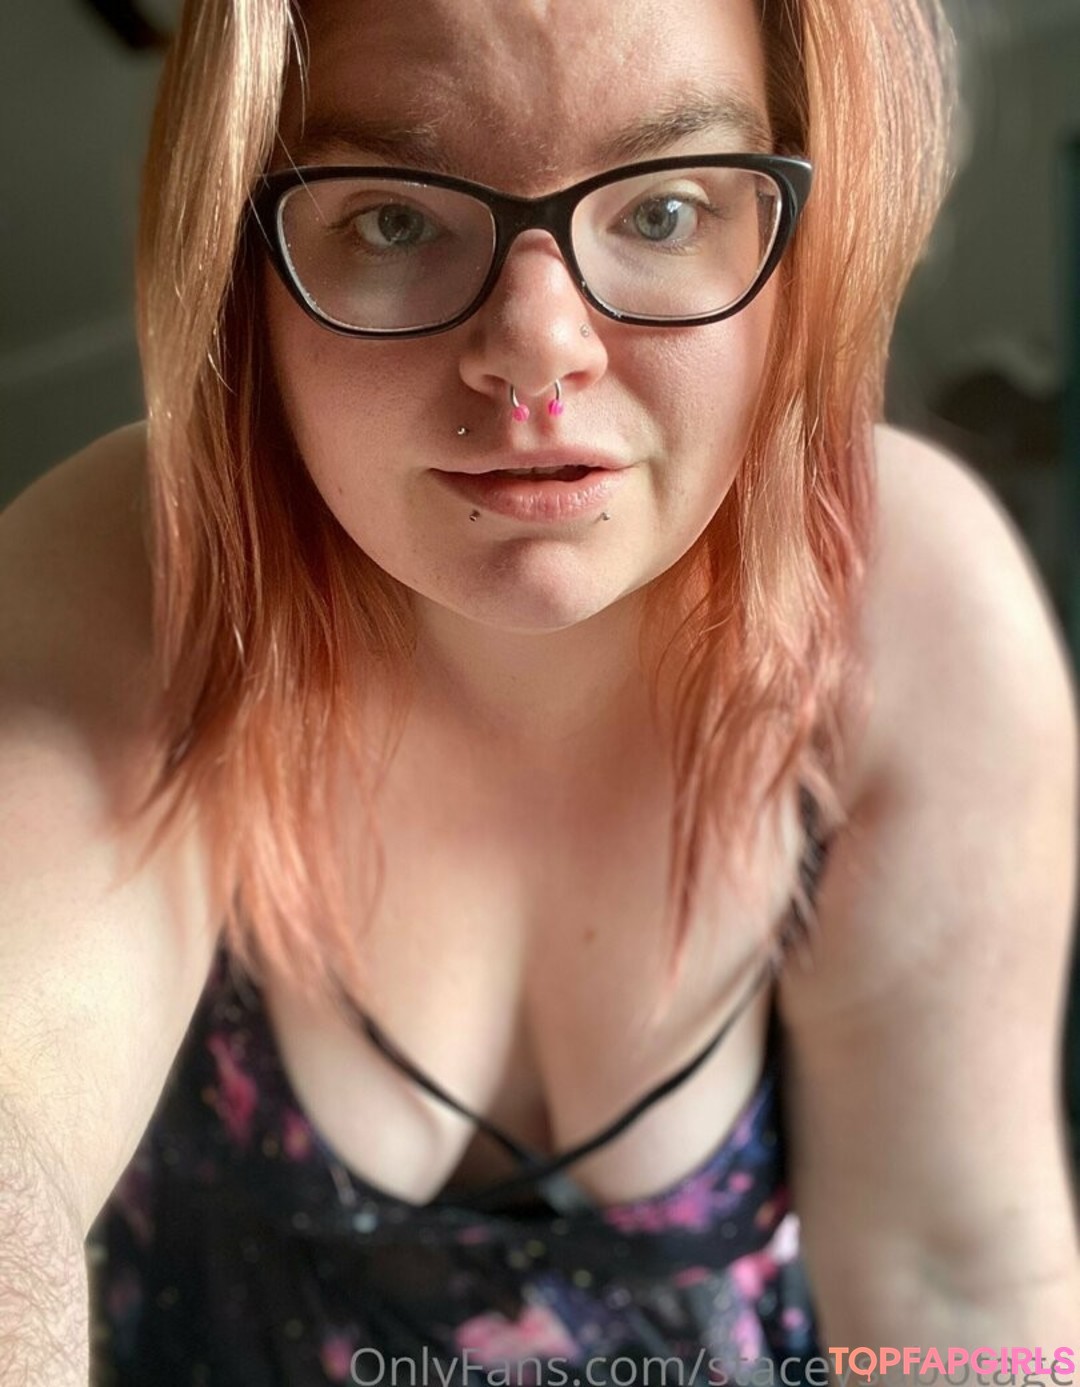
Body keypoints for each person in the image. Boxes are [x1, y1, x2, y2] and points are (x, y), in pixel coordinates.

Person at [1, 0, 1078, 1381]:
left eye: (667, 211)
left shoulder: (908, 606)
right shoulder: (142, 574)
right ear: (244, 250)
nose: (536, 348)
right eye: (395, 218)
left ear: (803, 234)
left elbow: (956, 1280)